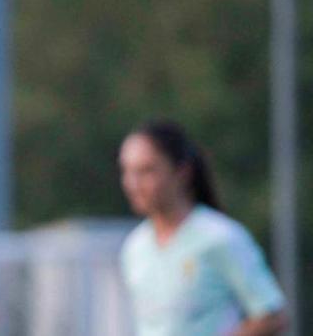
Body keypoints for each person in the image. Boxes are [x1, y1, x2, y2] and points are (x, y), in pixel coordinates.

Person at [118, 119, 288, 336]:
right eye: (127, 171)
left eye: (146, 171)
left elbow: (272, 316)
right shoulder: (134, 247)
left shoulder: (219, 237)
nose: (133, 184)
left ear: (182, 172)